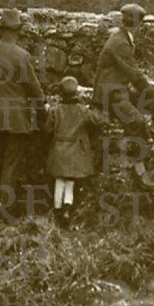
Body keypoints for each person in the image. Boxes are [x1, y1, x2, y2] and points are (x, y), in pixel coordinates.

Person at [90, 3, 154, 189]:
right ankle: (139, 170)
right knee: (137, 122)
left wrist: (152, 96)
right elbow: (135, 75)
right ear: (138, 24)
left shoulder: (122, 37)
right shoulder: (120, 43)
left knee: (145, 100)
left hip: (118, 90)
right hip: (110, 95)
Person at [0, 8, 45, 209]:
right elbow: (35, 91)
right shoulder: (22, 56)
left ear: (1, 29)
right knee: (11, 164)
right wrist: (43, 114)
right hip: (16, 119)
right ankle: (5, 209)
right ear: (18, 31)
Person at [44, 76, 106, 227]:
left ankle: (57, 212)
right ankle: (67, 209)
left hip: (59, 151)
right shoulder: (82, 110)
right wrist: (96, 107)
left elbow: (47, 129)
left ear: (60, 94)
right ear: (76, 93)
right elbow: (99, 120)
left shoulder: (56, 111)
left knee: (59, 181)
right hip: (75, 152)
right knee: (70, 182)